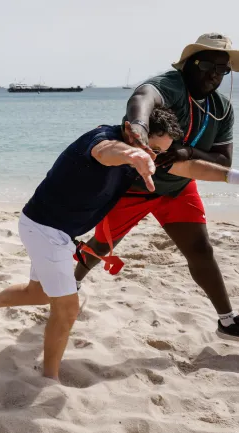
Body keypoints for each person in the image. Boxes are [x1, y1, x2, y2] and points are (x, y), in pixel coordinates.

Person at [0, 107, 239, 381]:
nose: (153, 155)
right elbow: (107, 152)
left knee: (40, 292)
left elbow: (192, 169)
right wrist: (134, 156)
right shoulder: (102, 140)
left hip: (52, 230)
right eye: (149, 146)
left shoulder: (147, 153)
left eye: (159, 151)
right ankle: (49, 378)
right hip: (46, 229)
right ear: (130, 128)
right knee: (67, 309)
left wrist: (234, 177)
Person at [74, 33, 239, 340]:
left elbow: (223, 161)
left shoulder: (223, 108)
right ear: (189, 63)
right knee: (102, 244)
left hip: (178, 188)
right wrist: (137, 127)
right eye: (207, 64)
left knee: (201, 250)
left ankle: (227, 321)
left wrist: (187, 151)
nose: (214, 73)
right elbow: (143, 98)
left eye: (222, 68)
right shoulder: (171, 86)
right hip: (136, 183)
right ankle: (72, 284)